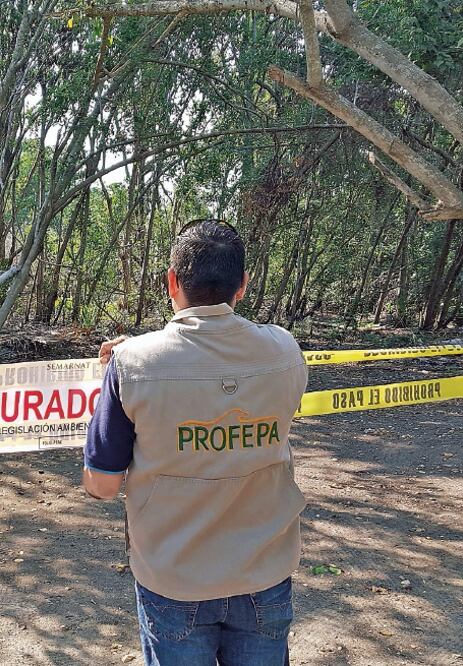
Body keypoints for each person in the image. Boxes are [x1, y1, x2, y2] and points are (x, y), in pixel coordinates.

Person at [82, 219, 308, 666]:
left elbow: (102, 485)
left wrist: (125, 363)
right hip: (264, 575)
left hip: (173, 579)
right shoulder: (285, 350)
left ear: (171, 282)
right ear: (243, 284)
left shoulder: (132, 364)